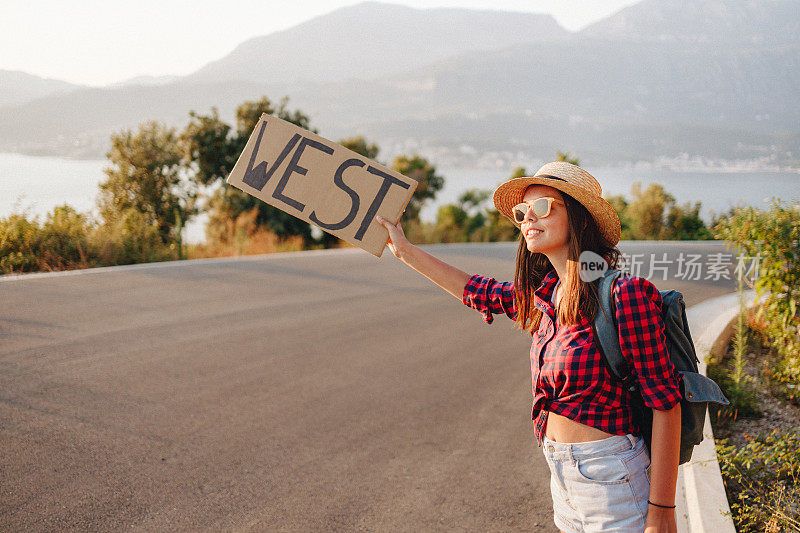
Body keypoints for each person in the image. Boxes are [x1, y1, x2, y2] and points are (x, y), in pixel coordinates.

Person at [375, 161, 682, 533]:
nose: (527, 219)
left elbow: (666, 405)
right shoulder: (545, 298)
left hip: (612, 478)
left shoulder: (624, 294)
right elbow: (478, 292)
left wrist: (662, 512)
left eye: (542, 207)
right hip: (563, 480)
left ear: (580, 218)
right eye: (521, 213)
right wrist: (405, 251)